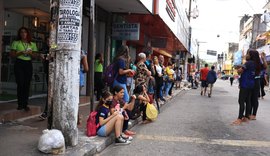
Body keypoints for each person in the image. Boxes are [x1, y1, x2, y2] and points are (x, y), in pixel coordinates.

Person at [10, 27, 38, 111]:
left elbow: (35, 57)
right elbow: (12, 55)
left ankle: (25, 104)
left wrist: (30, 53)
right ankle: (20, 104)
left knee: (27, 84)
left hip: (28, 64)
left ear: (27, 34)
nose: (23, 34)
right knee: (20, 83)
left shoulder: (32, 44)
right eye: (21, 32)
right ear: (19, 34)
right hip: (19, 63)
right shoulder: (16, 43)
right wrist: (20, 52)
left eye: (25, 32)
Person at [232, 51, 255, 125]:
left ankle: (239, 118)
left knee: (241, 100)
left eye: (248, 54)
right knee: (248, 100)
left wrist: (238, 69)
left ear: (251, 55)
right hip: (251, 84)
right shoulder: (254, 63)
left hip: (245, 84)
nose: (246, 55)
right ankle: (246, 117)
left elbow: (240, 71)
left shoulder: (247, 63)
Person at [249, 49, 267, 120]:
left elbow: (265, 67)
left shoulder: (258, 63)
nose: (248, 55)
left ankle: (253, 115)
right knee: (249, 98)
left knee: (254, 99)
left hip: (256, 81)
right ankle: (249, 113)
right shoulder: (249, 62)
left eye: (249, 54)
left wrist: (263, 58)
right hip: (250, 82)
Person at [39, 37, 50, 120]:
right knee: (49, 92)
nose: (49, 41)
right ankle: (46, 112)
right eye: (47, 40)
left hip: (58, 74)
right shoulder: (45, 49)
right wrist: (42, 56)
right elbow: (41, 56)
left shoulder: (57, 48)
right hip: (49, 73)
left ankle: (47, 112)